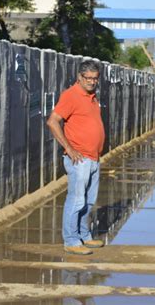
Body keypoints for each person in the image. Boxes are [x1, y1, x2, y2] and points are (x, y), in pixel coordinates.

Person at [47, 60, 105, 255]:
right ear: (79, 77)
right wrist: (70, 149)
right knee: (76, 200)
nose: (91, 82)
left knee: (89, 201)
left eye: (95, 79)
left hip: (94, 158)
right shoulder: (71, 95)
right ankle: (71, 240)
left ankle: (84, 235)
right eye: (87, 78)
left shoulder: (92, 97)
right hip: (79, 159)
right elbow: (53, 122)